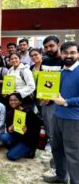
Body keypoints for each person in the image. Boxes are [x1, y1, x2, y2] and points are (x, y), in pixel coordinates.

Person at [43, 42, 79, 184]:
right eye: (65, 53)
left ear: (78, 54)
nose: (68, 56)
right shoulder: (61, 72)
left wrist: (65, 102)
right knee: (57, 149)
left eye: (72, 53)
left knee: (73, 152)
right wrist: (48, 98)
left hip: (73, 119)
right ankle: (61, 175)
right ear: (61, 54)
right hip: (57, 116)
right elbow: (55, 93)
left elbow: (65, 99)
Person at [40, 36, 64, 176]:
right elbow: (44, 81)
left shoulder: (64, 62)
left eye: (51, 46)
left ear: (58, 45)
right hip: (46, 103)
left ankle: (58, 167)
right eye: (46, 47)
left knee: (59, 135)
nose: (48, 49)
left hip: (60, 103)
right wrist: (43, 97)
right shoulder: (46, 61)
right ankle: (55, 163)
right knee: (51, 134)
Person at [1, 93, 42, 161]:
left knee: (10, 156)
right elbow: (8, 128)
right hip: (17, 137)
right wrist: (9, 129)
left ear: (20, 101)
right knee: (4, 137)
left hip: (27, 140)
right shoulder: (9, 113)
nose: (12, 102)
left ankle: (29, 151)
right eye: (11, 100)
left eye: (15, 100)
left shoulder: (28, 112)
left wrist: (28, 130)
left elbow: (37, 127)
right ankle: (17, 148)